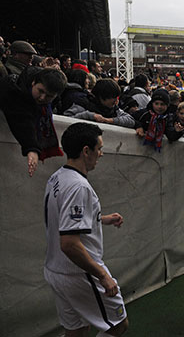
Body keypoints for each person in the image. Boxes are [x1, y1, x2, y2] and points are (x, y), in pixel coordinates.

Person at [44, 122, 129, 337]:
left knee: (77, 330)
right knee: (118, 324)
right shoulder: (78, 186)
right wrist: (102, 275)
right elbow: (69, 244)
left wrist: (103, 218)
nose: (101, 154)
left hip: (56, 271)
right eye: (99, 148)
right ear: (86, 151)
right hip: (79, 274)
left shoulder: (57, 177)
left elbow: (64, 220)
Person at [0, 66, 67, 176]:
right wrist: (31, 148)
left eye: (49, 96)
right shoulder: (13, 90)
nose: (42, 98)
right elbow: (21, 119)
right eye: (40, 91)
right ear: (33, 82)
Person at [65, 78, 135, 128]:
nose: (116, 101)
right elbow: (64, 120)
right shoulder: (83, 104)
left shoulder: (114, 109)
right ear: (102, 97)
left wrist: (108, 120)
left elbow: (131, 120)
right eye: (113, 97)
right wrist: (89, 116)